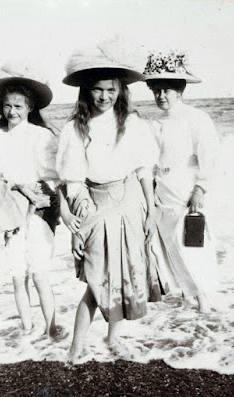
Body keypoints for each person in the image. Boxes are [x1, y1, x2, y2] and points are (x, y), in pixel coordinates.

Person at [56, 38, 161, 362]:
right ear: (86, 90)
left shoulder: (131, 123)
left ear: (120, 90)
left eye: (111, 90)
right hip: (94, 203)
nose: (104, 96)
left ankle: (114, 338)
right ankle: (76, 347)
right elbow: (71, 181)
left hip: (129, 200)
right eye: (98, 89)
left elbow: (145, 170)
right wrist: (75, 226)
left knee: (125, 273)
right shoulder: (75, 128)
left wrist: (151, 212)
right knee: (96, 280)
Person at [0, 61, 60, 337]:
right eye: (7, 105)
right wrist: (16, 188)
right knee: (17, 273)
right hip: (9, 207)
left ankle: (51, 328)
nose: (12, 111)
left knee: (39, 271)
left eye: (18, 106)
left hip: (38, 208)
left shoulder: (42, 135)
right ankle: (27, 330)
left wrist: (32, 192)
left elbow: (53, 177)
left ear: (30, 108)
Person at [143, 50, 219, 313]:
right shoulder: (153, 123)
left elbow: (209, 158)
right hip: (162, 191)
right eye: (156, 90)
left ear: (180, 90)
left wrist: (200, 187)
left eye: (167, 90)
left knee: (193, 244)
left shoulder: (197, 119)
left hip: (187, 190)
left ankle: (206, 299)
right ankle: (189, 297)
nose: (161, 96)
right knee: (170, 246)